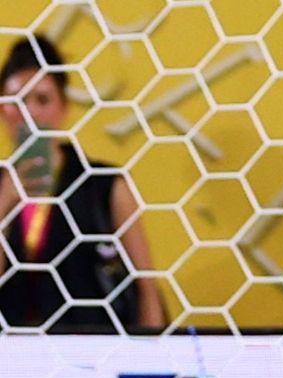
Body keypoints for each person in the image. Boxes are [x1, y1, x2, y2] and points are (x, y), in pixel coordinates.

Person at [0, 34, 164, 332]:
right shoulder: (2, 188)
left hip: (94, 352)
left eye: (42, 99)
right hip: (13, 358)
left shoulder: (103, 186)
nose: (30, 113)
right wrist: (4, 204)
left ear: (63, 107)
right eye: (17, 100)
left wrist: (153, 363)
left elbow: (147, 288)